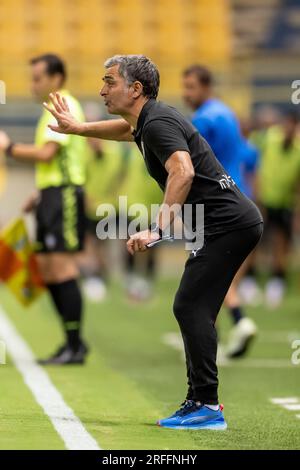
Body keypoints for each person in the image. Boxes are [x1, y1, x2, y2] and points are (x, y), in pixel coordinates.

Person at [42, 54, 263, 430]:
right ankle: (202, 402)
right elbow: (125, 131)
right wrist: (78, 128)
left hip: (228, 224)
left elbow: (183, 170)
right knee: (194, 306)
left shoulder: (157, 123)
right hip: (231, 223)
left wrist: (157, 229)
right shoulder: (151, 119)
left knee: (190, 305)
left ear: (135, 89)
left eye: (109, 81)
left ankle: (205, 406)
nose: (102, 89)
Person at [0, 54, 88, 364]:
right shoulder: (52, 109)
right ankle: (71, 342)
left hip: (64, 195)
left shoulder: (63, 105)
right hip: (52, 194)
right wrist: (39, 192)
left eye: (38, 77)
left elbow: (47, 153)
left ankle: (75, 345)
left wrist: (8, 147)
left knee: (62, 267)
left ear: (56, 78)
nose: (33, 84)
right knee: (48, 269)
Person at [182, 64, 258, 358]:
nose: (187, 93)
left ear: (205, 87)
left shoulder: (203, 119)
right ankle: (234, 324)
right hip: (241, 200)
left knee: (206, 276)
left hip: (214, 204)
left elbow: (192, 164)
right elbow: (247, 158)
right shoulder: (227, 114)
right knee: (222, 274)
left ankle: (229, 327)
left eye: (191, 87)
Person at [257, 110, 300, 307]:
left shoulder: (298, 149)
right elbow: (256, 161)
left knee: (281, 243)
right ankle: (249, 279)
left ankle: (277, 280)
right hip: (264, 199)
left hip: (284, 203)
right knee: (256, 239)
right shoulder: (271, 139)